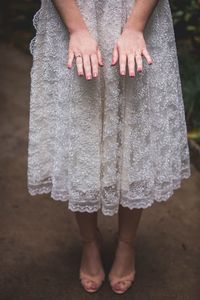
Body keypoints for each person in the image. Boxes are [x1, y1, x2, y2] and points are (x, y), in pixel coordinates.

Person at [28, 0, 191, 294]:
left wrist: (136, 25)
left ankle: (126, 243)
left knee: (134, 130)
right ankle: (89, 241)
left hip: (138, 9)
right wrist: (76, 28)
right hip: (72, 11)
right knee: (82, 130)